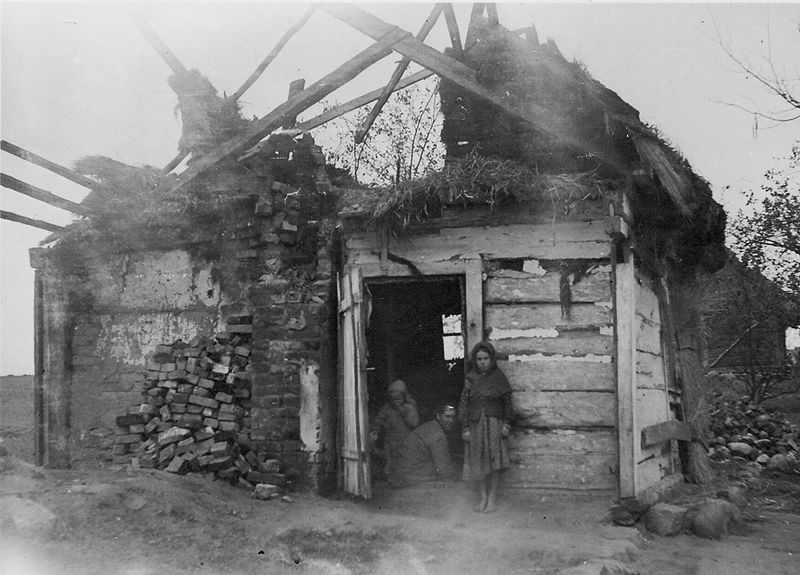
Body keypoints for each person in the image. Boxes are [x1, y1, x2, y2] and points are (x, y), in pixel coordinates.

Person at [459, 341, 513, 513]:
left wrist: (507, 424)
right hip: (476, 425)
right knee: (478, 462)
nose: (482, 362)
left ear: (491, 359)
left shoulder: (499, 378)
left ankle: (492, 498)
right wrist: (465, 428)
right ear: (475, 361)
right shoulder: (471, 379)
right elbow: (464, 404)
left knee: (494, 461)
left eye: (486, 358)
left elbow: (508, 403)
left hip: (494, 425)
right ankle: (482, 497)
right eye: (479, 359)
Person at [389, 404, 457, 487]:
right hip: (410, 475)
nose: (451, 420)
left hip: (402, 472)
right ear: (438, 416)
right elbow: (443, 466)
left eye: (453, 417)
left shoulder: (431, 426)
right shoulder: (437, 434)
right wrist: (454, 479)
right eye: (447, 416)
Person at [370, 379, 419, 478]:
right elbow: (379, 419)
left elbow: (414, 423)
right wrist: (375, 430)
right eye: (393, 399)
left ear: (404, 397)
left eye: (398, 399)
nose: (396, 402)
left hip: (405, 440)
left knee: (404, 462)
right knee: (390, 462)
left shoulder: (409, 407)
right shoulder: (388, 408)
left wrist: (403, 412)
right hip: (390, 441)